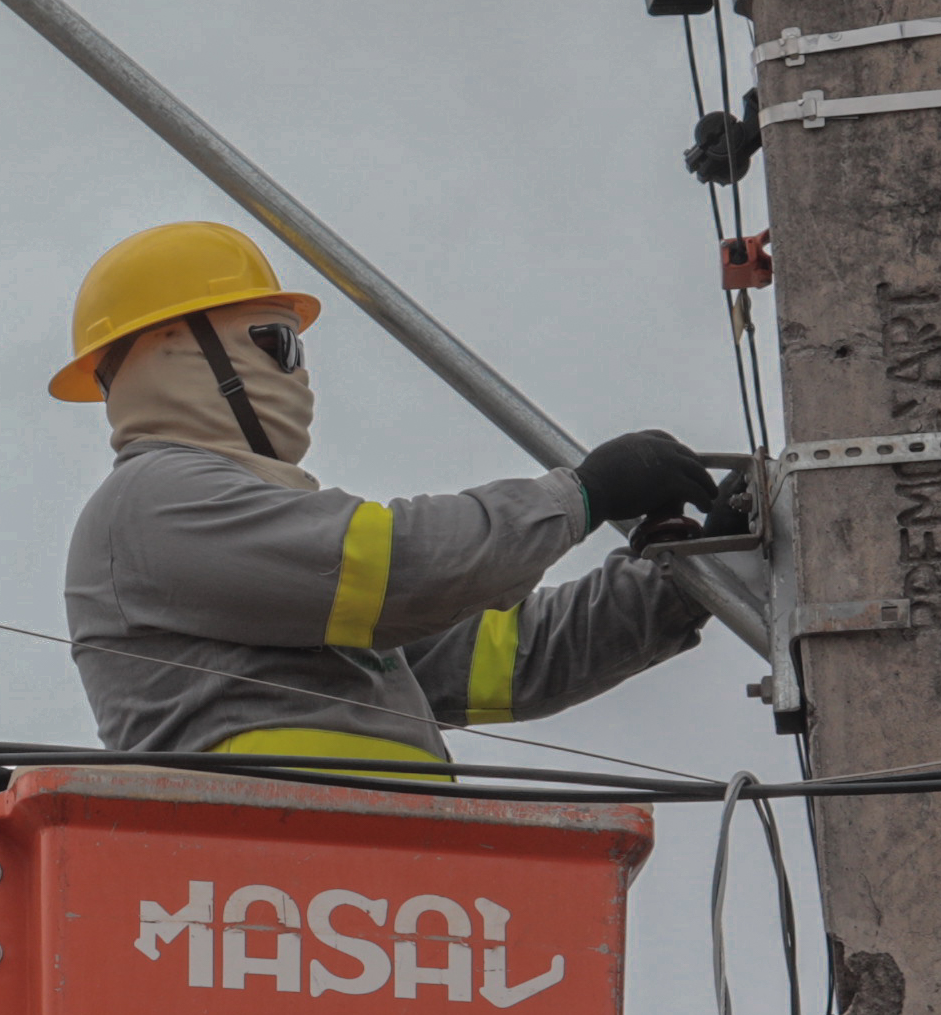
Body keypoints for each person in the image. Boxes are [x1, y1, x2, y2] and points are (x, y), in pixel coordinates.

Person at [53, 222, 726, 772]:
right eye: (279, 343)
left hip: (378, 893)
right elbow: (403, 566)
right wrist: (583, 494)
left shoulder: (303, 585)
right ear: (178, 350)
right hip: (253, 878)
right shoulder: (150, 504)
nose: (300, 375)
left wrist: (686, 580)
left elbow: (512, 659)